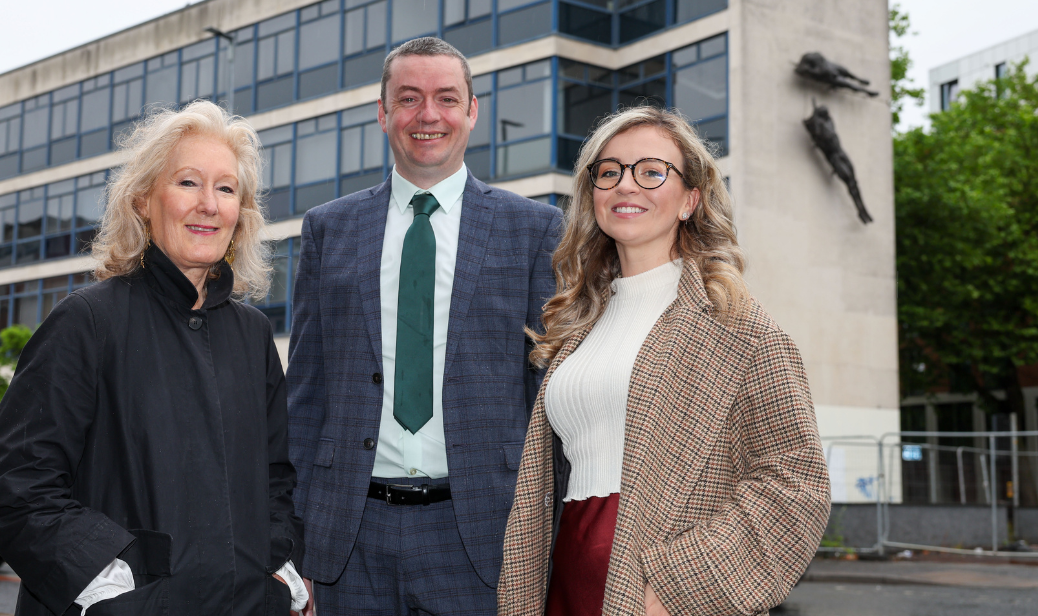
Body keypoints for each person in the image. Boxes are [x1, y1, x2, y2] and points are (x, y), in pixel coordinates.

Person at [0, 100, 308, 616]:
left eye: (225, 188)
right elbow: (17, 486)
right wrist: (111, 584)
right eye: (188, 183)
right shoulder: (86, 321)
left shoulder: (254, 333)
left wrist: (278, 571)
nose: (208, 204)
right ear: (141, 201)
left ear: (241, 214)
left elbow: (277, 479)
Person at [496, 106, 831, 616]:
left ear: (689, 200)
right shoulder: (580, 321)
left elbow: (796, 481)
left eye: (652, 172)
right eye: (609, 172)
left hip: (658, 590)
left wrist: (678, 589)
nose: (626, 185)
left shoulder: (738, 326)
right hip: (564, 573)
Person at [286, 37, 562, 614]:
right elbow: (307, 395)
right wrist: (299, 544)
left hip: (485, 539)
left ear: (472, 111)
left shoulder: (534, 230)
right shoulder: (326, 230)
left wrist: (546, 540)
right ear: (384, 114)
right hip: (348, 542)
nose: (428, 115)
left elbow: (548, 398)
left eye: (446, 98)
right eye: (408, 99)